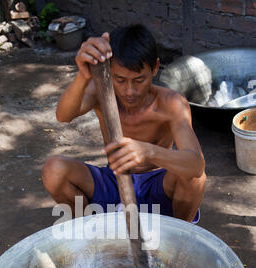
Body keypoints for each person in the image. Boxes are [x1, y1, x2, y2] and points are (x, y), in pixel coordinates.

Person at [42, 24, 206, 223]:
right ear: (110, 71)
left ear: (155, 68)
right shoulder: (101, 91)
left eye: (139, 80)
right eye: (120, 79)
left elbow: (196, 165)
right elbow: (63, 115)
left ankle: (178, 238)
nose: (129, 91)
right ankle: (90, 234)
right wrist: (83, 76)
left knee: (195, 179)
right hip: (114, 181)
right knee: (54, 170)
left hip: (158, 186)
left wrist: (148, 151)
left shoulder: (171, 103)